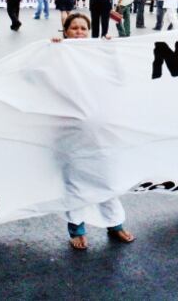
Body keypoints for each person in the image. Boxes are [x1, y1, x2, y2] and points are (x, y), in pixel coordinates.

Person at [50, 13, 134, 250]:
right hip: (69, 132)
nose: (79, 32)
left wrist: (110, 50)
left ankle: (115, 224)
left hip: (100, 132)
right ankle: (77, 228)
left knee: (106, 179)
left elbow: (119, 78)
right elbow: (41, 79)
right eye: (74, 28)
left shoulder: (98, 54)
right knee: (74, 181)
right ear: (65, 31)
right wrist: (54, 51)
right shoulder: (56, 53)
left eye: (83, 28)